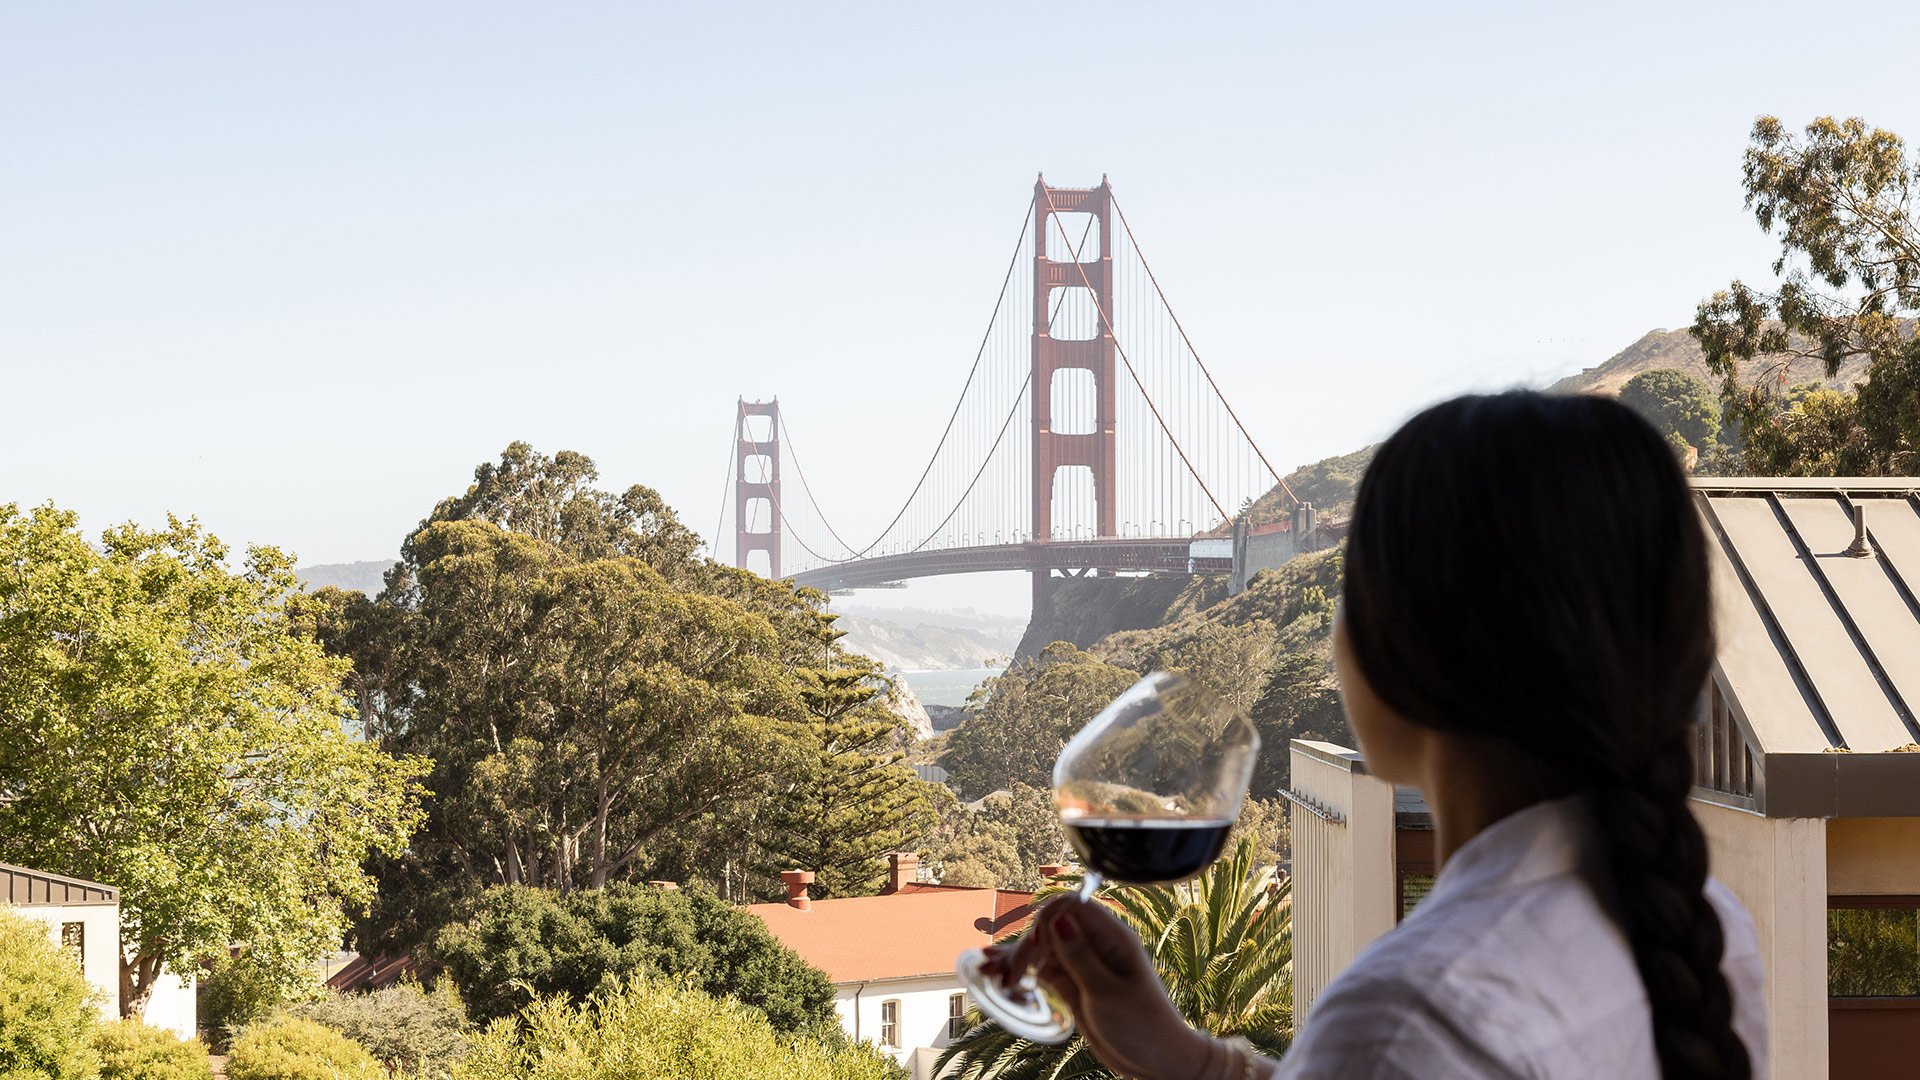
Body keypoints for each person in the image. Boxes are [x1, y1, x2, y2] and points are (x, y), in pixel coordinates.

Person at [988, 391, 1768, 1079]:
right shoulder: (1701, 933)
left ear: (1416, 645)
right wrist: (1198, 1063)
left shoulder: (1413, 1016)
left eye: (1347, 591)